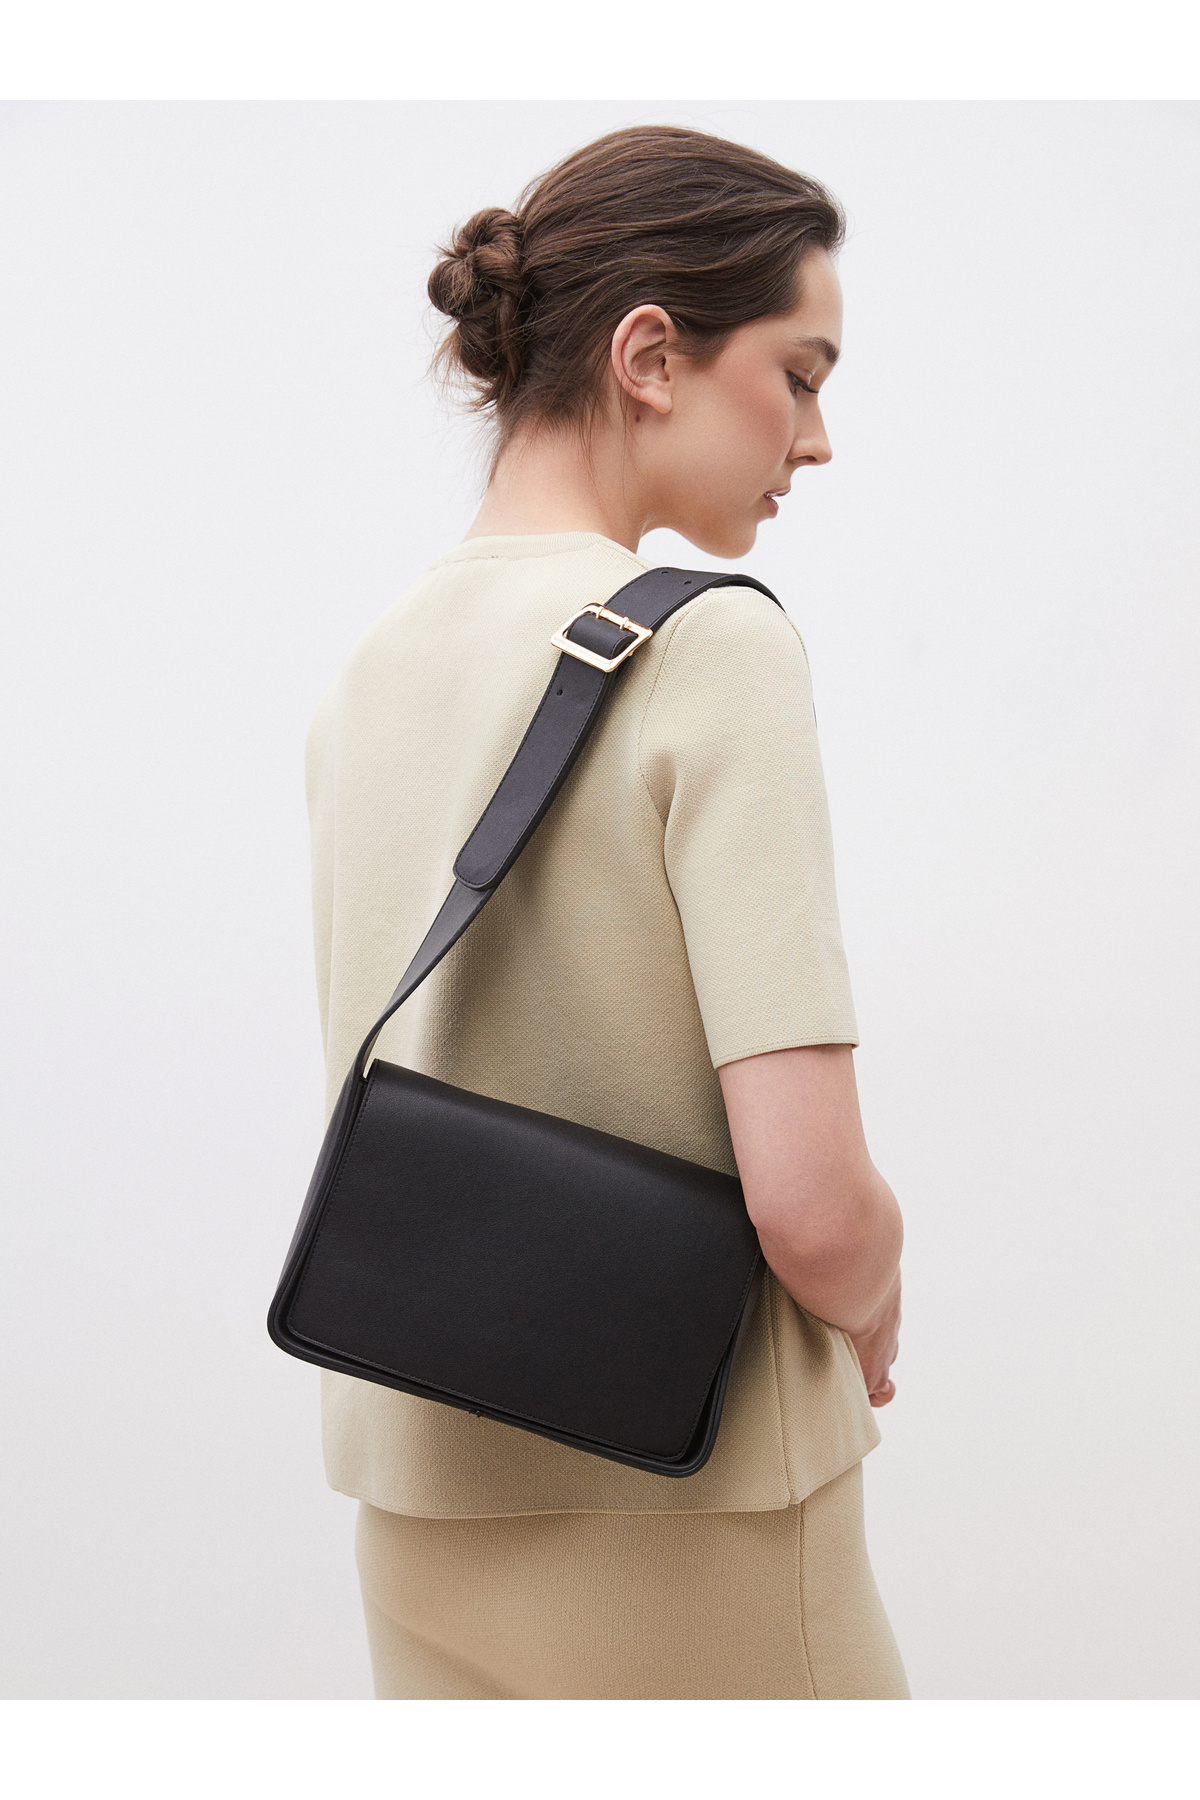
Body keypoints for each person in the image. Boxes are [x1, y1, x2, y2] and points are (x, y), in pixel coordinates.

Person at [305, 125, 908, 1700]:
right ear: (650, 356)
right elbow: (812, 1205)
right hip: (694, 1505)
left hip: (416, 1491)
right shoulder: (707, 647)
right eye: (798, 375)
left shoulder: (372, 670)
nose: (817, 440)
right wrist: (877, 1278)